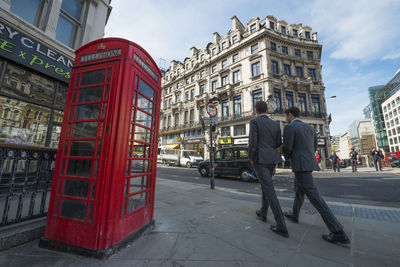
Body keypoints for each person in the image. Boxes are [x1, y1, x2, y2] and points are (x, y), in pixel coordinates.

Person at [282, 106, 350, 245]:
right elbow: (313, 148)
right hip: (308, 163)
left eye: (286, 116)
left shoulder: (289, 128)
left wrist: (286, 158)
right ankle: (295, 215)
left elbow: (287, 147)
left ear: (289, 115)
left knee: (315, 197)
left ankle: (338, 231)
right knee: (299, 191)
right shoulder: (310, 128)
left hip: (299, 164)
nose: (286, 119)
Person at [248, 101, 288, 238]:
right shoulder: (275, 124)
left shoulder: (254, 122)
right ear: (266, 109)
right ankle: (263, 212)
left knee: (269, 189)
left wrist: (251, 157)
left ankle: (281, 225)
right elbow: (278, 142)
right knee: (266, 186)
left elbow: (253, 142)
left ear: (256, 110)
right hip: (272, 159)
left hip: (260, 159)